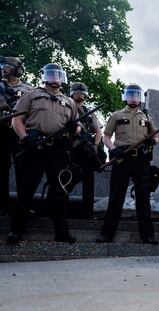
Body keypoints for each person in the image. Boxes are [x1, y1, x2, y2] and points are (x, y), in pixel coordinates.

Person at [8, 63, 78, 244]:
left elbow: (77, 127)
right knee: (27, 189)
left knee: (60, 192)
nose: (55, 78)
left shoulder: (69, 101)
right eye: (51, 74)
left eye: (58, 75)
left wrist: (74, 128)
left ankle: (62, 233)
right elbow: (16, 120)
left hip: (59, 150)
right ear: (44, 76)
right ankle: (17, 231)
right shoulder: (31, 95)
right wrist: (24, 138)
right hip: (36, 148)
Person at [97, 84, 158, 244]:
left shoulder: (146, 117)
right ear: (126, 96)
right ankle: (106, 234)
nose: (133, 98)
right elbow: (106, 137)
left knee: (143, 198)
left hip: (141, 160)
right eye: (130, 95)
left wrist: (153, 140)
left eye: (136, 95)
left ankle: (148, 235)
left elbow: (156, 137)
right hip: (122, 159)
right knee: (116, 197)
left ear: (140, 97)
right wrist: (113, 149)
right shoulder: (116, 115)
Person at [0, 56, 33, 214]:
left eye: (6, 66)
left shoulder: (29, 89)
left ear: (16, 69)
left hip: (19, 132)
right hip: (1, 131)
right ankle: (2, 206)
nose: (3, 68)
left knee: (23, 169)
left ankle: (23, 206)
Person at [66, 82, 103, 218]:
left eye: (82, 93)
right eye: (77, 92)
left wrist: (95, 145)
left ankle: (88, 212)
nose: (79, 95)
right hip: (72, 150)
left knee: (89, 181)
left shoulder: (89, 111)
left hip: (87, 150)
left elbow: (98, 131)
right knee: (70, 178)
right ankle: (60, 208)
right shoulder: (67, 107)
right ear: (71, 93)